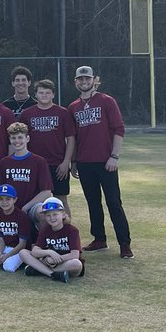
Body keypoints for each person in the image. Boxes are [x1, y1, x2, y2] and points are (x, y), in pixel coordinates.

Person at [68, 65, 132, 257]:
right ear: (76, 82)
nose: (84, 82)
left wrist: (114, 156)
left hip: (106, 161)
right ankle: (99, 239)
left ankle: (124, 243)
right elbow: (74, 137)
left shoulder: (106, 101)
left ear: (94, 80)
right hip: (85, 162)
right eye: (80, 79)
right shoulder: (73, 107)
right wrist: (74, 162)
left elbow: (119, 129)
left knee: (113, 202)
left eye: (87, 79)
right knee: (93, 202)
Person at [22, 79, 76, 204]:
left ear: (53, 94)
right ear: (35, 94)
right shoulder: (27, 114)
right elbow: (21, 139)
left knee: (60, 199)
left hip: (57, 164)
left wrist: (66, 162)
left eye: (47, 92)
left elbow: (71, 138)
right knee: (34, 199)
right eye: (41, 93)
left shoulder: (63, 113)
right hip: (34, 164)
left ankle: (65, 224)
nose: (44, 95)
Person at [0, 122, 52, 227]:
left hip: (31, 207)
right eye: (13, 138)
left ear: (28, 138)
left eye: (20, 137)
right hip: (11, 208)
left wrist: (26, 207)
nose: (17, 141)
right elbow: (0, 192)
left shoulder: (39, 161)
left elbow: (47, 192)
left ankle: (42, 242)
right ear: (10, 140)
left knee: (42, 212)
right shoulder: (5, 162)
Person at [20, 198, 84, 282]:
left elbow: (75, 255)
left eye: (55, 214)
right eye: (48, 215)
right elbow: (35, 251)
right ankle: (52, 274)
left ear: (63, 214)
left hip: (66, 262)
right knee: (23, 252)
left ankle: (39, 269)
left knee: (76, 264)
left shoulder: (72, 230)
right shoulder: (45, 230)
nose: (52, 218)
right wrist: (50, 253)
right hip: (49, 262)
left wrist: (53, 260)